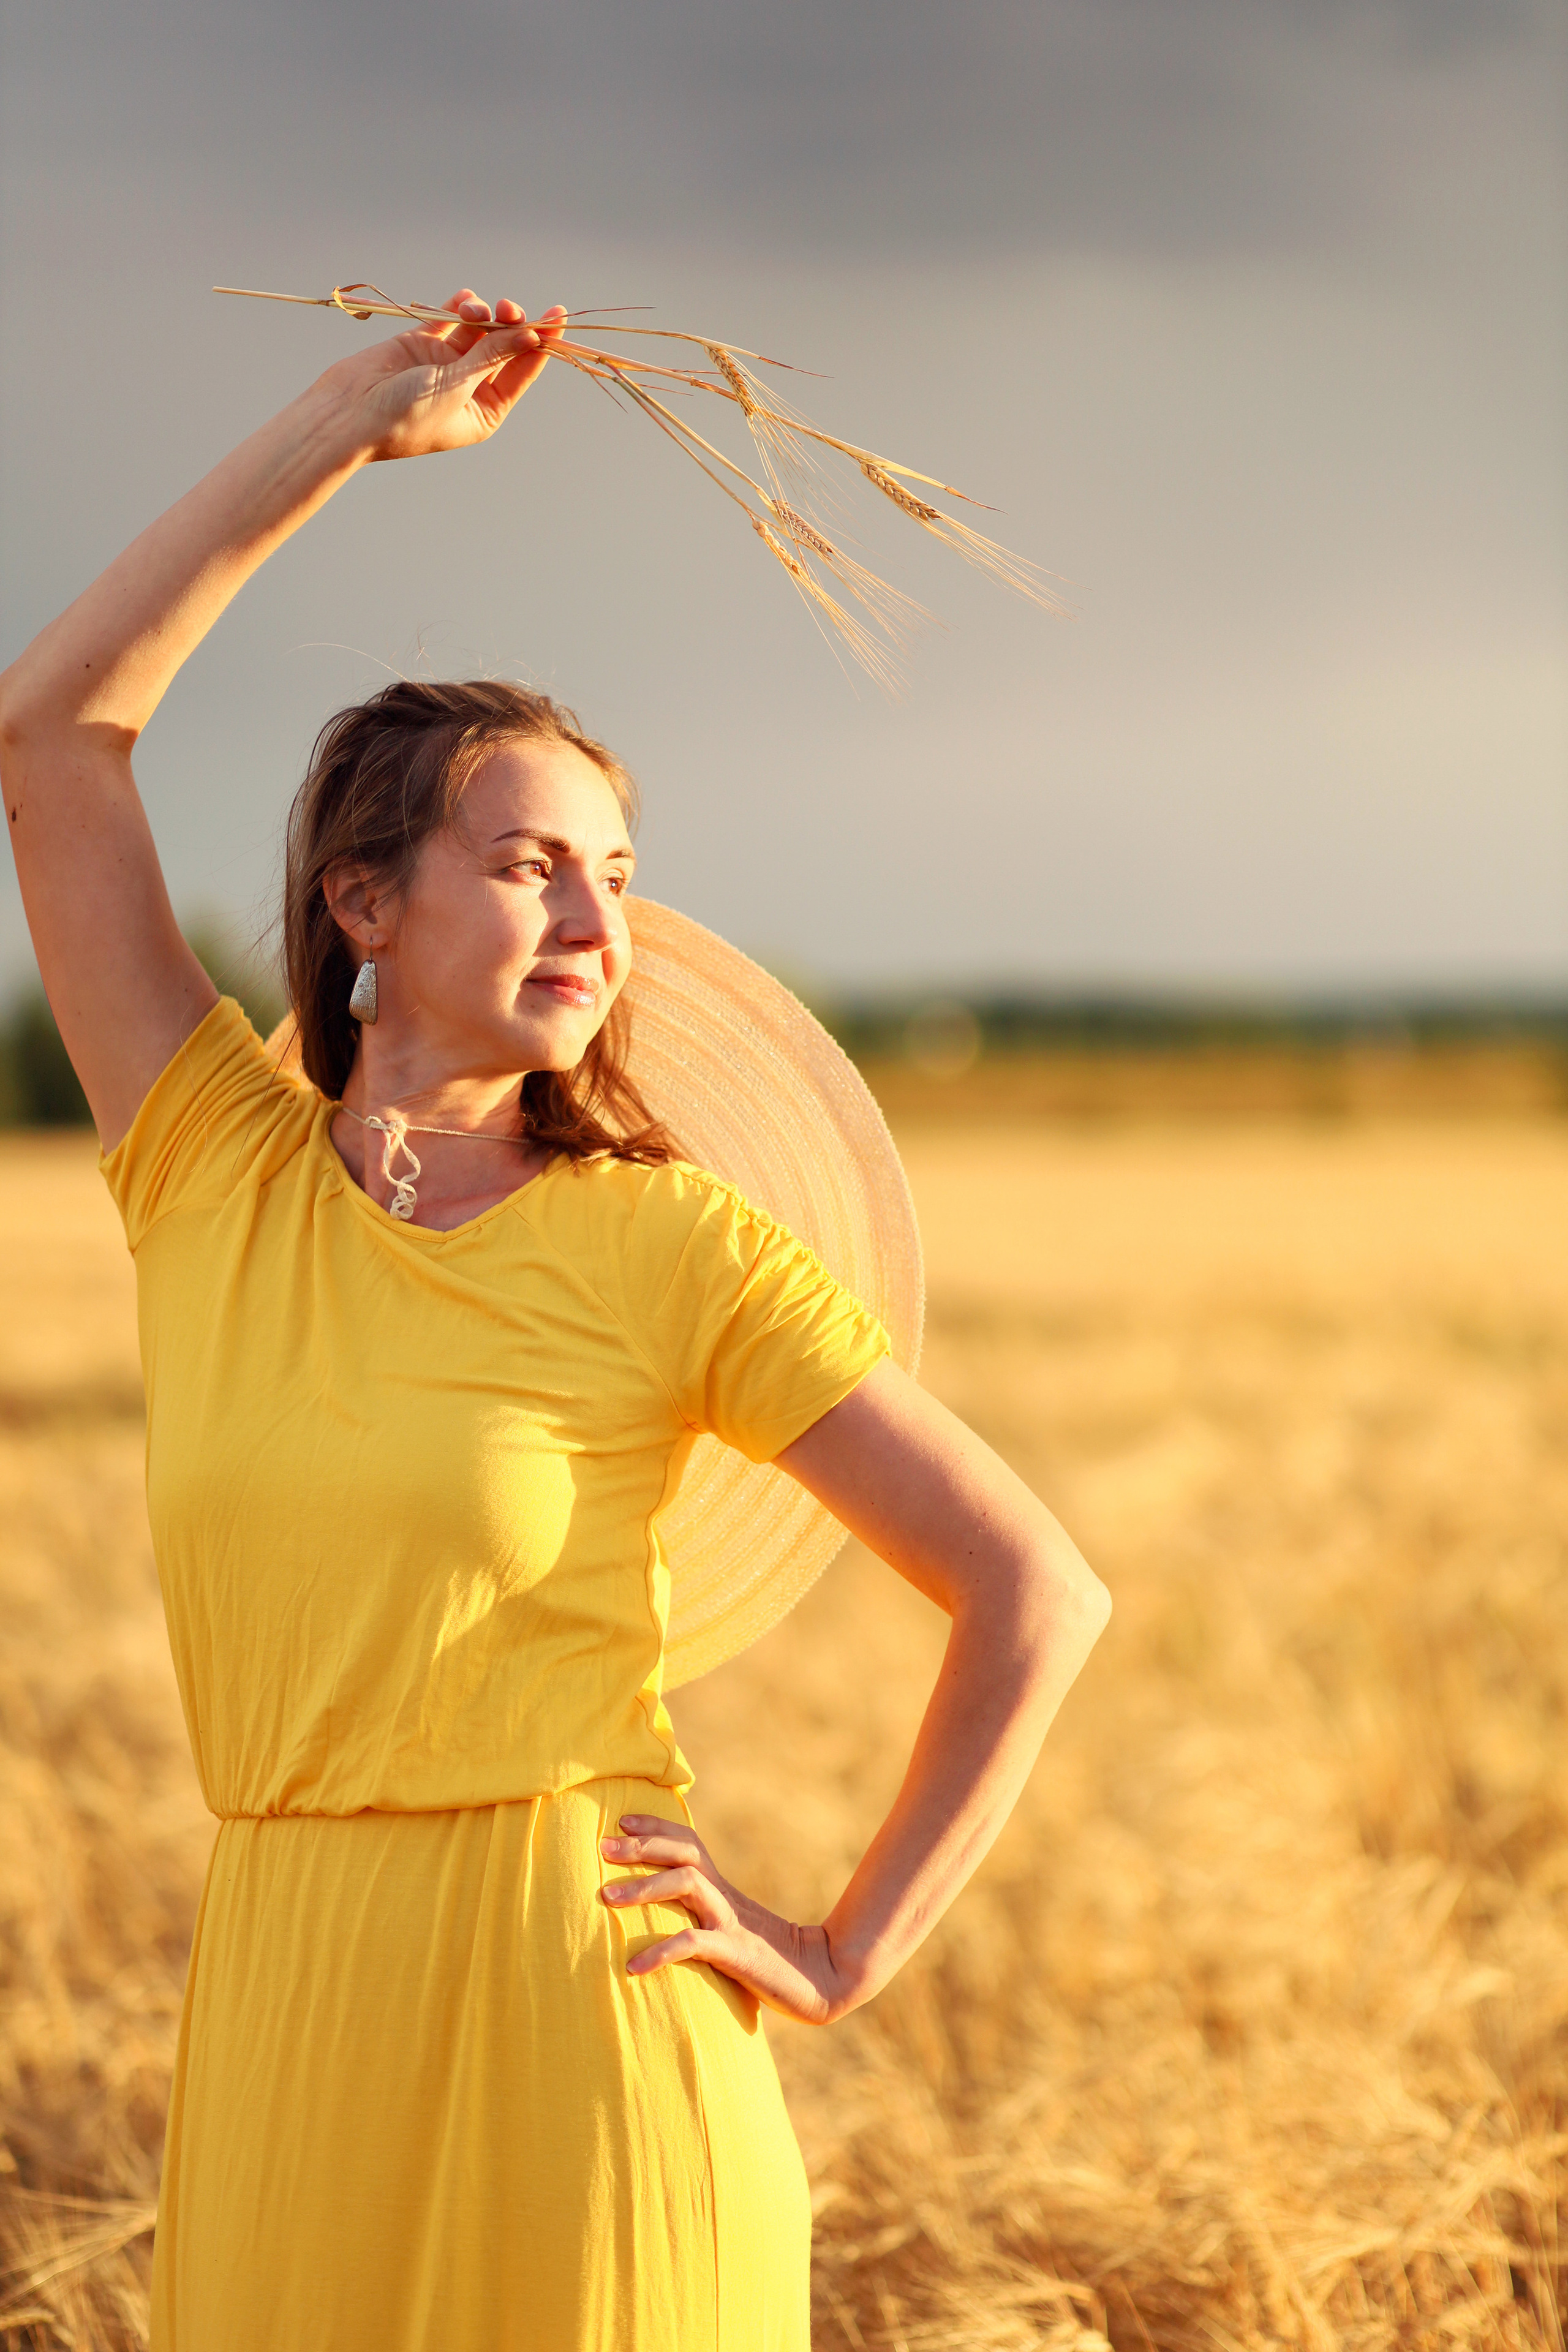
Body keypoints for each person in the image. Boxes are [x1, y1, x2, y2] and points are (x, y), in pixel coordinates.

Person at [0, 287, 1111, 2352]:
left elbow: (1035, 1589)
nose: (602, 924)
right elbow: (52, 735)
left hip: (587, 2023)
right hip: (289, 2009)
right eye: (530, 868)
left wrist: (846, 1951)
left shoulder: (670, 1245)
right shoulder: (213, 1175)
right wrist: (344, 427)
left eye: (618, 870)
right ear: (364, 904)